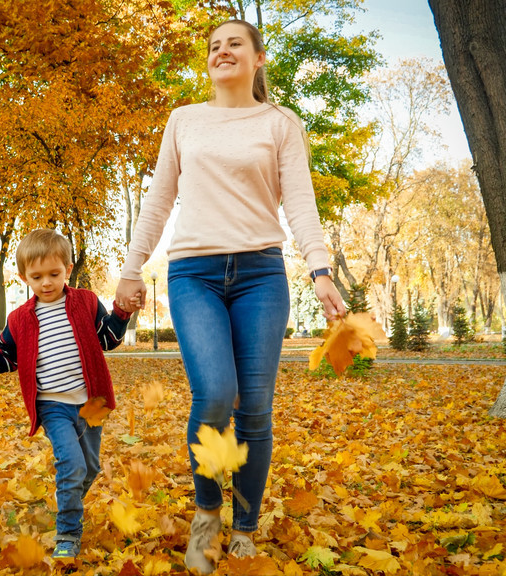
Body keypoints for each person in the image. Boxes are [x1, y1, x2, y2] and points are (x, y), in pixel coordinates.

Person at [114, 19, 347, 573]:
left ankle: (244, 528)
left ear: (258, 58)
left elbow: (300, 204)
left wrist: (320, 270)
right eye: (214, 46)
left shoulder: (281, 123)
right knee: (216, 393)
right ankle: (206, 514)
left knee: (256, 411)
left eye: (233, 44)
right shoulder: (184, 120)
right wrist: (130, 268)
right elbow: (158, 201)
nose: (222, 52)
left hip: (261, 275)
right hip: (192, 273)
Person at [0, 229, 131, 561]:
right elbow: (6, 356)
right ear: (24, 277)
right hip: (53, 405)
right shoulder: (20, 319)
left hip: (91, 403)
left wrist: (121, 312)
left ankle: (66, 497)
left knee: (88, 467)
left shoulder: (85, 302)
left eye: (54, 274)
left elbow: (108, 340)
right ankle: (68, 534)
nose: (46, 282)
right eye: (37, 277)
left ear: (68, 269)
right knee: (71, 465)